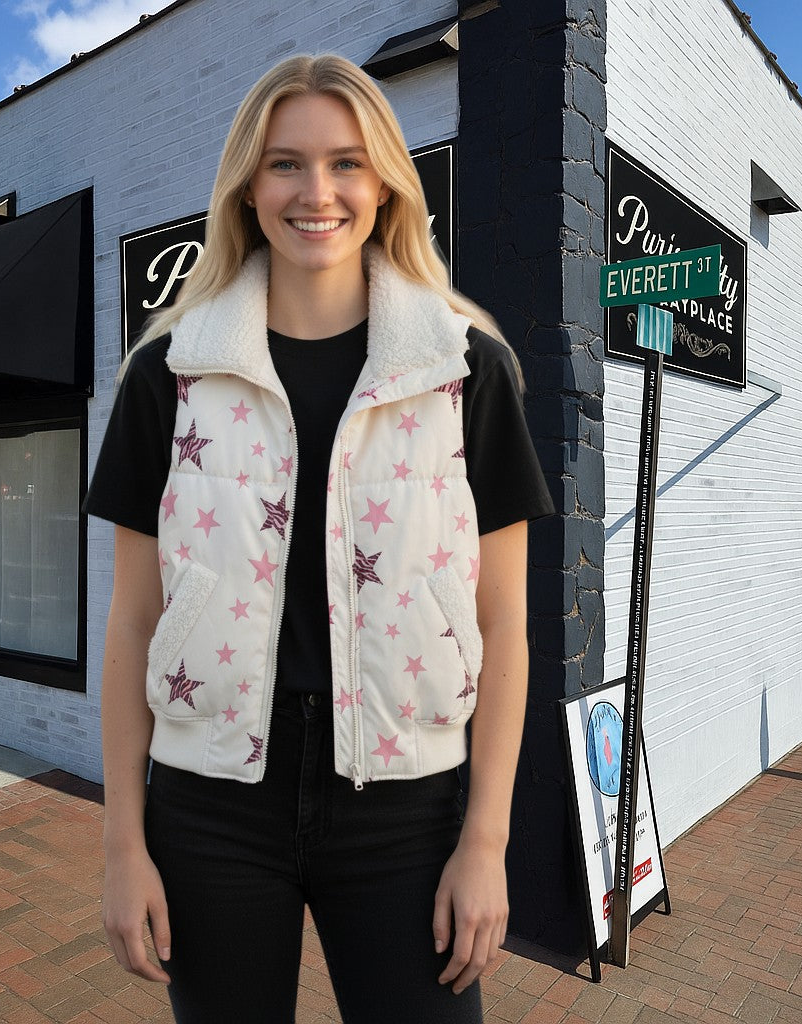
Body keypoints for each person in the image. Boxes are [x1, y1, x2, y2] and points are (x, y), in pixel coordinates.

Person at [84, 53, 555, 1024]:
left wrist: (485, 840)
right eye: (285, 163)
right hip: (209, 800)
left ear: (383, 182)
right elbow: (131, 621)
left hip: (408, 805)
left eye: (346, 162)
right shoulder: (167, 377)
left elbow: (504, 623)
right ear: (247, 188)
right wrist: (123, 844)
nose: (317, 191)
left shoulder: (466, 372)